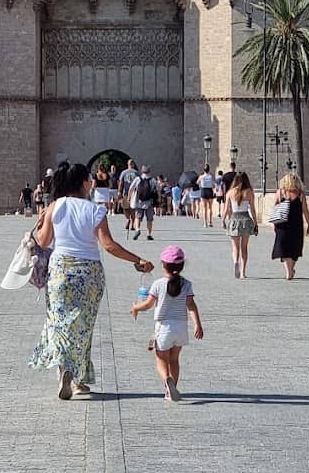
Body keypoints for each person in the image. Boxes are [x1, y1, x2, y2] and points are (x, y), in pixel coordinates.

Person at [31, 162, 153, 399]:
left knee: (59, 323)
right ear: (84, 183)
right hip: (89, 274)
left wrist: (41, 223)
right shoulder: (95, 210)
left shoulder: (55, 206)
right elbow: (109, 246)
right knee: (83, 327)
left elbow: (43, 242)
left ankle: (65, 372)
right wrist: (137, 259)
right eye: (90, 179)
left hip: (60, 272)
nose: (93, 182)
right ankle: (77, 380)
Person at [131, 245, 204, 403]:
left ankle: (167, 380)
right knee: (175, 360)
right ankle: (171, 390)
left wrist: (135, 307)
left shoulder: (158, 284)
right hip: (181, 328)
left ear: (163, 265)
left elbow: (148, 304)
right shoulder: (186, 284)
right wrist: (197, 324)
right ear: (182, 265)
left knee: (161, 359)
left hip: (164, 327)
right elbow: (191, 305)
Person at [271, 171, 309, 280]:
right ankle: (290, 270)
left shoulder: (280, 192)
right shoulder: (300, 194)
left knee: (284, 247)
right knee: (295, 248)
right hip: (296, 224)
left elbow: (274, 208)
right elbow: (305, 210)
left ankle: (289, 271)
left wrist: (274, 224)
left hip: (282, 224)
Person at [222, 170, 258, 279]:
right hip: (246, 219)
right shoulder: (249, 192)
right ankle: (243, 272)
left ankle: (235, 262)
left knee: (235, 247)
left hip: (234, 219)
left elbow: (226, 209)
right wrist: (255, 223)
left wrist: (223, 220)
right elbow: (252, 209)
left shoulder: (230, 192)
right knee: (244, 247)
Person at [129, 166, 158, 241]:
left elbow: (131, 188)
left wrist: (129, 197)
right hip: (150, 202)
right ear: (149, 171)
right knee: (149, 219)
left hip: (139, 202)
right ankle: (149, 234)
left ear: (142, 171)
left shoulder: (138, 179)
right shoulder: (153, 180)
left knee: (138, 217)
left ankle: (137, 229)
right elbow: (158, 190)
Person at [118, 158, 139, 232]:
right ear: (133, 164)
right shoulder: (137, 173)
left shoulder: (123, 172)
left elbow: (121, 183)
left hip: (126, 193)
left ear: (128, 164)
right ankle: (132, 223)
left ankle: (128, 219)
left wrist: (119, 192)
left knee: (125, 208)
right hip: (134, 193)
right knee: (133, 208)